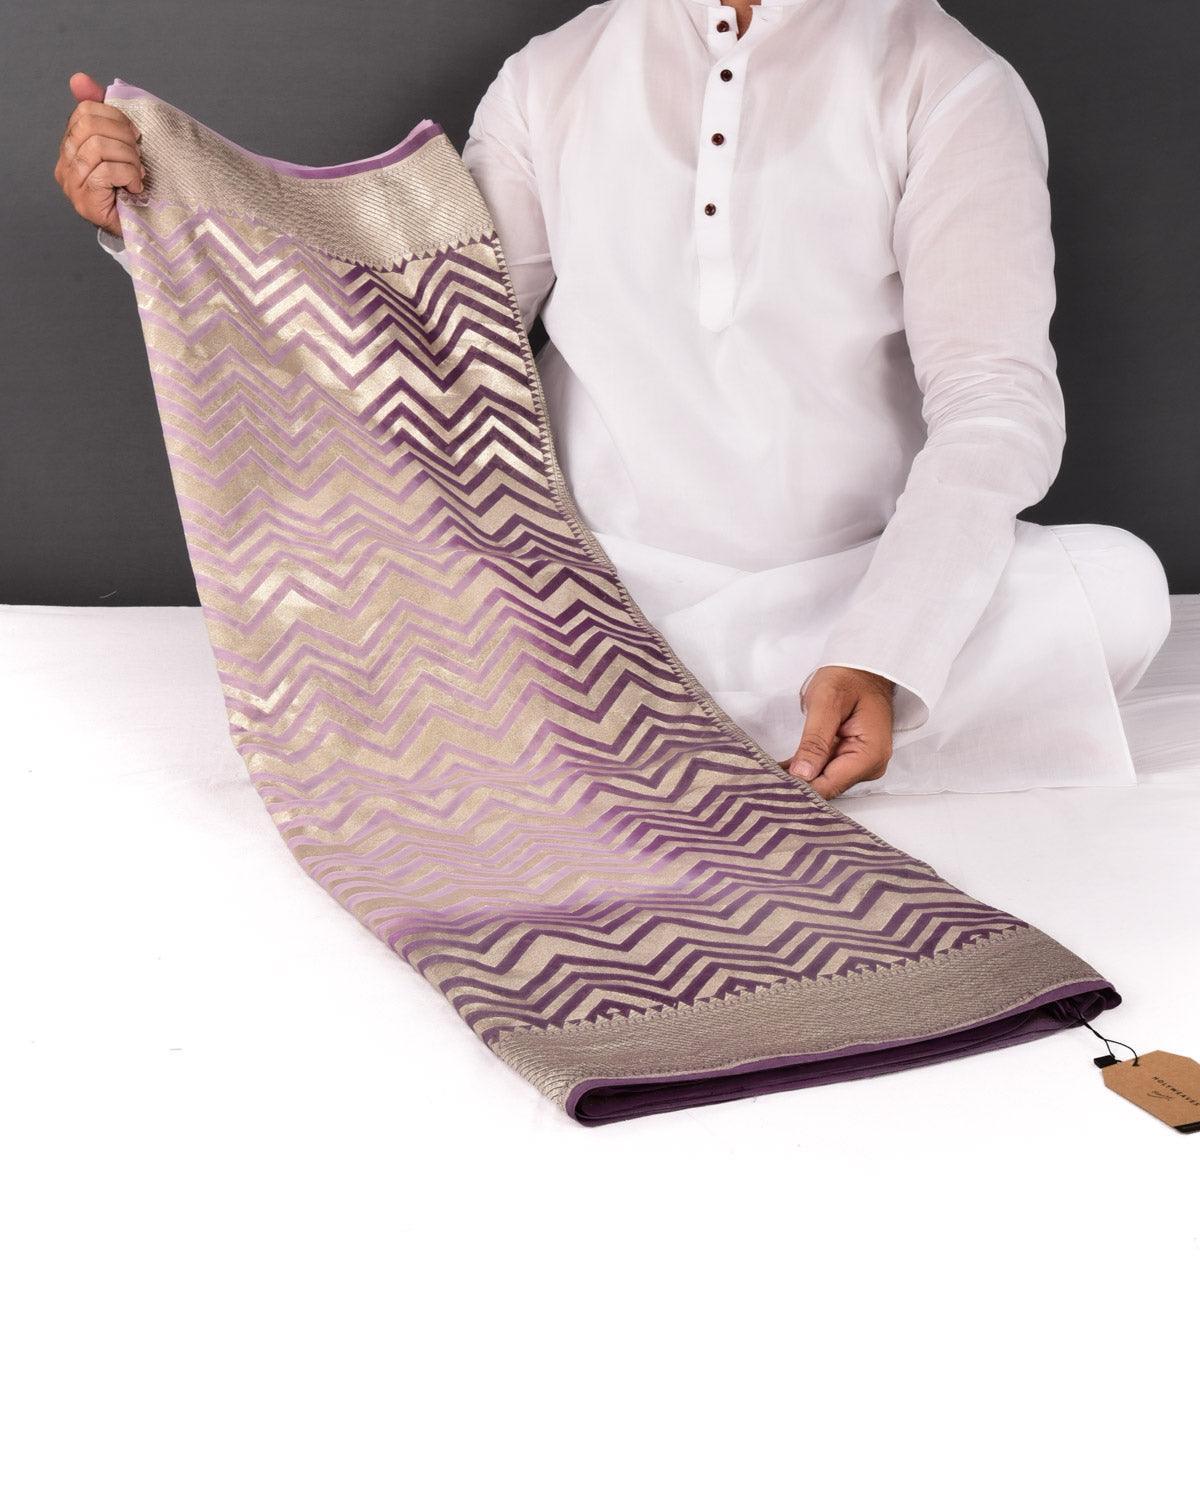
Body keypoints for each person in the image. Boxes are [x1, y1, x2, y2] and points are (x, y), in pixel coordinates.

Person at [56, 0, 1172, 799]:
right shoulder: (556, 73)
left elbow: (995, 400)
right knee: (342, 560)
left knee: (1123, 589)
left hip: (846, 597)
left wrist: (886, 648)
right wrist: (153, 218)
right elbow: (428, 341)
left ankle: (646, 730)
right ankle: (689, 721)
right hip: (583, 591)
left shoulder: (947, 79)